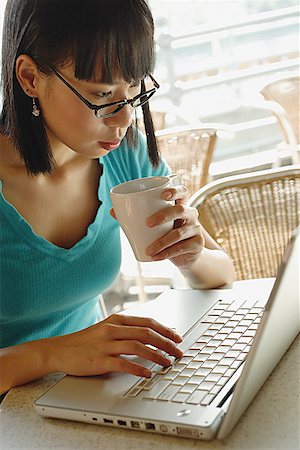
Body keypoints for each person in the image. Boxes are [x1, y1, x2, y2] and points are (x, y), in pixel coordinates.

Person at [0, 0, 235, 395]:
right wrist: (52, 354)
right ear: (29, 78)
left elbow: (221, 274)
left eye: (134, 89)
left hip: (82, 397)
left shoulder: (123, 155)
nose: (125, 118)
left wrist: (191, 257)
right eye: (104, 93)